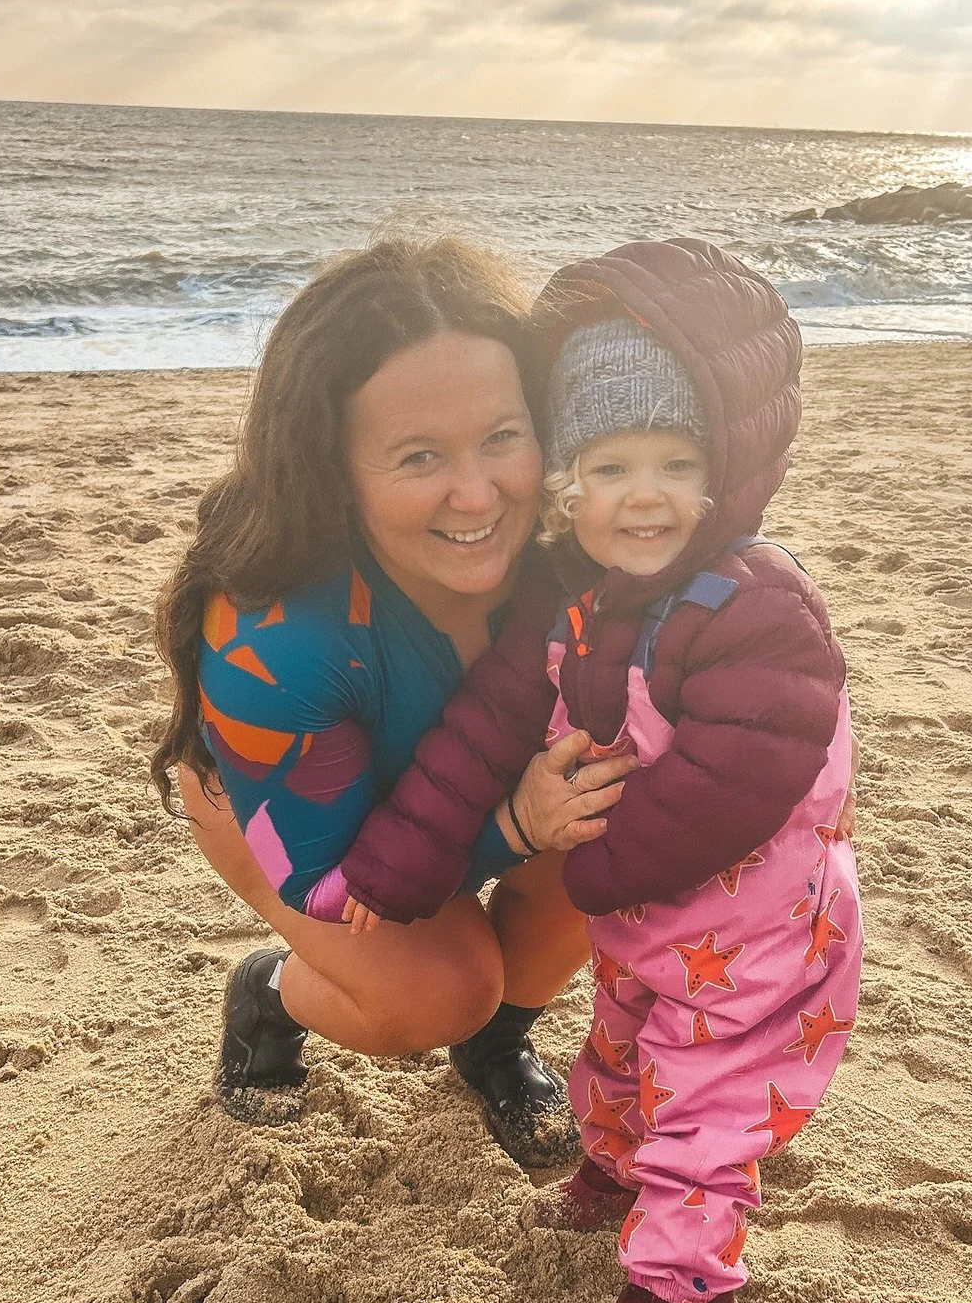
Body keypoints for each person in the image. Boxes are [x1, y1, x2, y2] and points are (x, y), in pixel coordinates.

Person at [321, 238, 863, 1303]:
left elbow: (746, 766)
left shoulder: (753, 602)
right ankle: (611, 1174)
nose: (646, 496)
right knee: (618, 1054)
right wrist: (403, 858)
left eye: (677, 463)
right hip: (647, 922)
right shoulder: (571, 596)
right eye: (612, 466)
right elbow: (483, 728)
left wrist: (606, 864)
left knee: (704, 1110)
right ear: (570, 480)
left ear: (719, 477)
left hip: (752, 940)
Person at [150, 237, 636, 1166]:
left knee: (616, 832)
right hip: (297, 831)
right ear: (335, 469)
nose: (477, 492)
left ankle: (495, 1045)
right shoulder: (277, 641)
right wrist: (521, 824)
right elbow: (334, 883)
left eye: (503, 437)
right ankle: (270, 996)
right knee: (442, 988)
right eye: (418, 456)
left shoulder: (581, 542)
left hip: (475, 796)